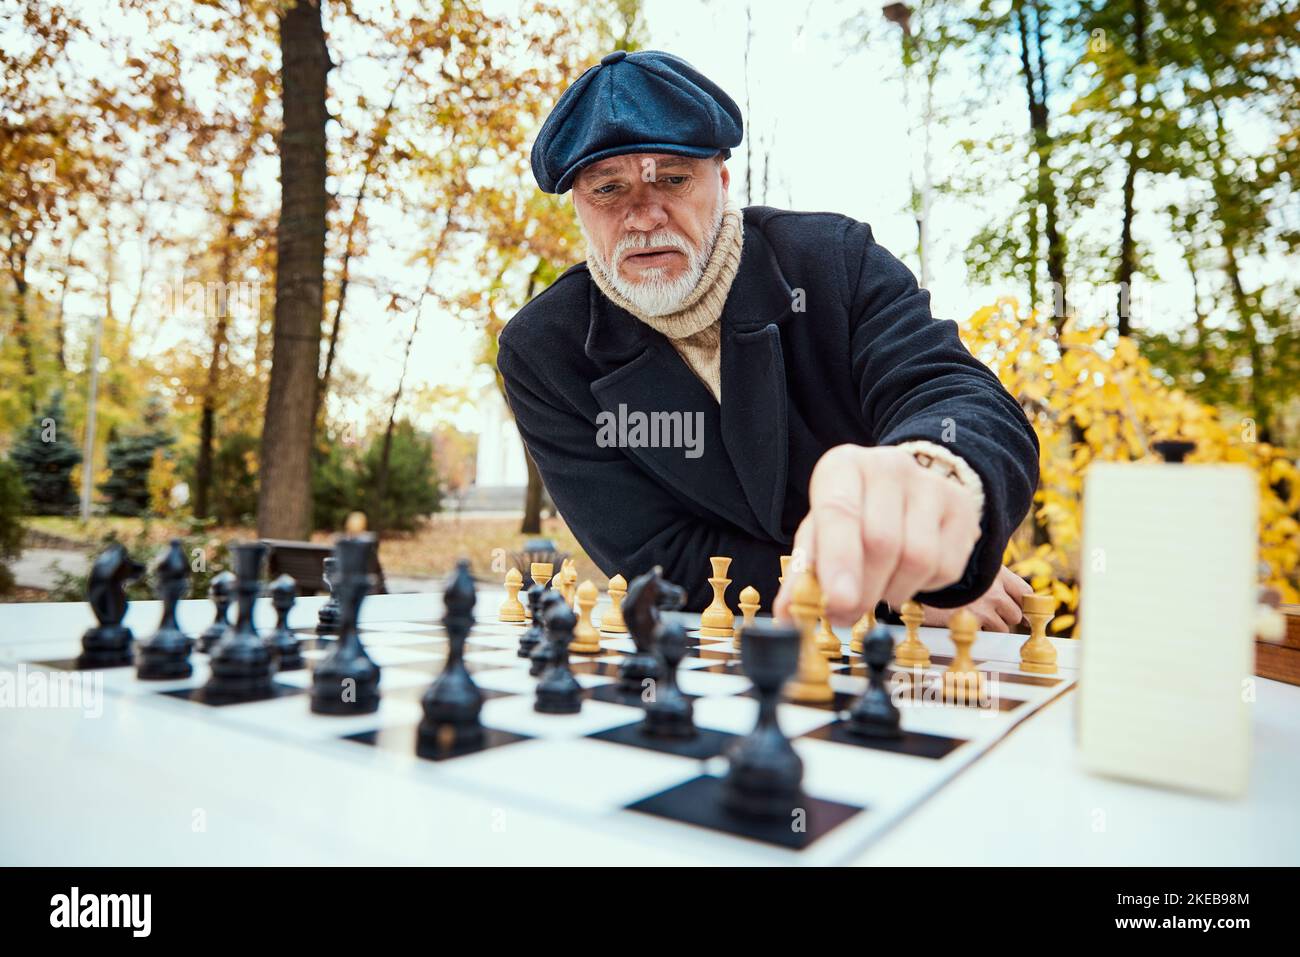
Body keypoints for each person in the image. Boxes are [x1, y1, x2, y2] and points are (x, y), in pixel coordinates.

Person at [497, 50, 1039, 631]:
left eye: (674, 180)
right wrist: (888, 590)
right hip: (730, 657)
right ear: (578, 206)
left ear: (722, 182)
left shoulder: (834, 262)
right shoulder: (543, 352)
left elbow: (952, 392)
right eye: (608, 190)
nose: (642, 217)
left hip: (923, 649)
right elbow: (658, 557)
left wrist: (933, 479)